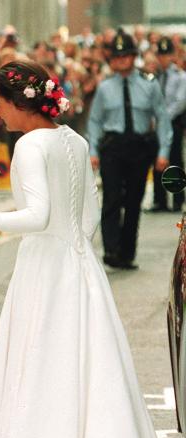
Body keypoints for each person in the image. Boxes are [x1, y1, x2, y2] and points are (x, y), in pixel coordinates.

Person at [0, 59, 183, 438]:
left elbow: (36, 216)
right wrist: (75, 249)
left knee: (40, 373)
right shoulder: (75, 141)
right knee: (90, 375)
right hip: (80, 269)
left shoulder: (30, 145)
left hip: (45, 270)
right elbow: (91, 214)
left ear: (20, 103)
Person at [88, 29, 172, 270]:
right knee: (112, 197)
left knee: (134, 200)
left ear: (134, 57)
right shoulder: (105, 88)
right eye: (117, 56)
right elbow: (94, 121)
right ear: (111, 60)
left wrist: (163, 152)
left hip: (139, 147)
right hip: (113, 148)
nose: (121, 60)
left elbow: (162, 118)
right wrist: (93, 149)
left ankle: (127, 253)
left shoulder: (150, 84)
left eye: (126, 55)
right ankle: (111, 249)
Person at [151, 36, 186, 213]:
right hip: (157, 125)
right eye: (160, 55)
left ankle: (178, 200)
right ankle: (160, 200)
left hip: (173, 123)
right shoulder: (154, 77)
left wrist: (163, 118)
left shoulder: (180, 76)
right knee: (157, 160)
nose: (163, 58)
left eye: (166, 55)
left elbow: (180, 102)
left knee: (175, 161)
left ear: (172, 55)